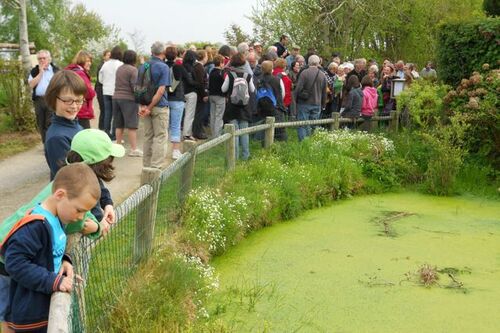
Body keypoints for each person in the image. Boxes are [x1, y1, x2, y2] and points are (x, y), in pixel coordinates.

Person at [0, 163, 100, 333]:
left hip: (42, 307)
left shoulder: (56, 219)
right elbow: (16, 263)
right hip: (30, 315)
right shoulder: (36, 225)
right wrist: (53, 281)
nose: (81, 218)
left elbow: (47, 253)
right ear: (60, 194)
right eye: (79, 210)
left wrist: (64, 262)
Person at [44, 70, 87, 180]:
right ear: (53, 99)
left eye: (78, 100)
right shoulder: (57, 138)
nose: (74, 106)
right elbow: (69, 179)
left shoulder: (75, 125)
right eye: (68, 100)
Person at [138, 41, 171, 169]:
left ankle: (146, 165)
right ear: (163, 52)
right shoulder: (163, 67)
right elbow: (161, 90)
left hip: (145, 105)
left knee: (148, 137)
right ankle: (156, 167)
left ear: (151, 52)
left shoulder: (144, 65)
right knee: (160, 136)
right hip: (159, 105)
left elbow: (138, 87)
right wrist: (150, 107)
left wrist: (143, 106)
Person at [221, 53, 256, 160]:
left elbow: (223, 89)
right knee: (244, 132)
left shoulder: (230, 75)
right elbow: (253, 90)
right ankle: (246, 156)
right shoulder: (248, 75)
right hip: (245, 107)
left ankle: (234, 156)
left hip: (232, 107)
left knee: (234, 132)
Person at [166, 45, 194, 159]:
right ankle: (175, 151)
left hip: (164, 98)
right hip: (177, 98)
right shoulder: (179, 67)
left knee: (164, 126)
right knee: (176, 125)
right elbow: (189, 80)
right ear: (176, 54)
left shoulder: (162, 66)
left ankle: (162, 148)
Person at [112, 49, 141, 157]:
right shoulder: (133, 70)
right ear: (134, 59)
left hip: (116, 98)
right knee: (132, 125)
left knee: (118, 124)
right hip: (128, 99)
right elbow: (135, 87)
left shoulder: (119, 69)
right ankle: (133, 149)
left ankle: (118, 147)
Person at [293, 55, 327, 141]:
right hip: (317, 103)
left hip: (304, 103)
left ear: (308, 62)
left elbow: (298, 89)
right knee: (313, 125)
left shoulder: (304, 73)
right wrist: (323, 104)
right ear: (318, 63)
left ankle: (303, 143)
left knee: (302, 124)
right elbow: (324, 92)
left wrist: (295, 100)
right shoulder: (322, 75)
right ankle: (310, 142)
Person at [29, 50, 60, 143]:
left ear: (49, 59)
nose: (42, 60)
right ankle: (45, 143)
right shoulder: (34, 71)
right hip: (39, 100)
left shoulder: (55, 70)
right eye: (40, 58)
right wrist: (41, 72)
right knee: (40, 123)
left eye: (44, 58)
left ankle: (49, 143)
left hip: (51, 99)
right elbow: (31, 85)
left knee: (49, 123)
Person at [65, 50, 96, 129]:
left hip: (72, 108)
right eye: (87, 61)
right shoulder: (80, 73)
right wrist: (92, 90)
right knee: (85, 137)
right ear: (81, 61)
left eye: (90, 61)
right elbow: (89, 93)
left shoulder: (71, 71)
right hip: (81, 111)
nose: (90, 63)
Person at [98, 46, 123, 140]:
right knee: (116, 114)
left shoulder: (105, 64)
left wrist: (105, 83)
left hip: (106, 90)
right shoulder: (120, 64)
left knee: (107, 113)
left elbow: (100, 79)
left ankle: (106, 133)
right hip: (116, 91)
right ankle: (113, 135)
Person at [259, 60, 287, 141]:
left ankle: (265, 147)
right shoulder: (277, 80)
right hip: (276, 108)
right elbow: (283, 94)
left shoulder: (259, 81)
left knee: (265, 131)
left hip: (263, 108)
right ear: (272, 69)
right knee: (279, 131)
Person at [208, 55, 226, 138]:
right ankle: (217, 136)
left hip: (211, 95)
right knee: (219, 116)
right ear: (221, 63)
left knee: (212, 115)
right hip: (220, 96)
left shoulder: (211, 72)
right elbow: (224, 86)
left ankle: (212, 133)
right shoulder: (221, 73)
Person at [95, 50, 111, 132]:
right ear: (104, 56)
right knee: (103, 109)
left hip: (107, 89)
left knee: (107, 109)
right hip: (101, 89)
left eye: (110, 55)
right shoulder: (101, 65)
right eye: (108, 55)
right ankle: (101, 128)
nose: (109, 57)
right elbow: (100, 79)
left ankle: (105, 127)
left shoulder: (110, 65)